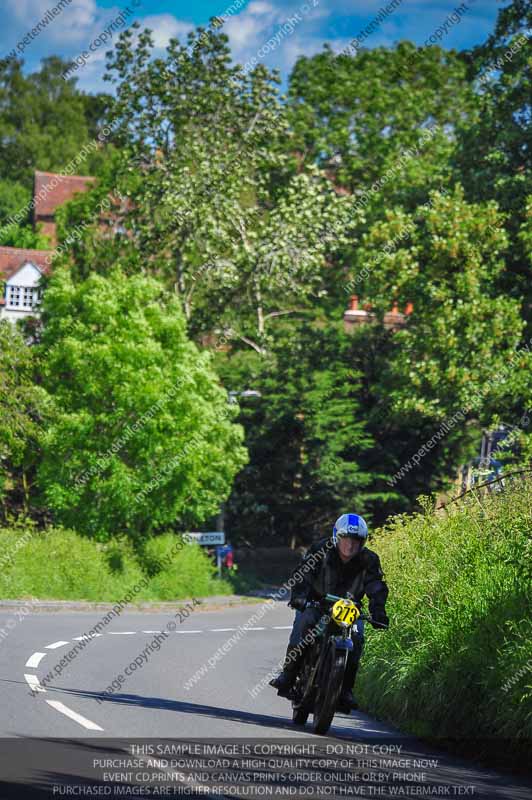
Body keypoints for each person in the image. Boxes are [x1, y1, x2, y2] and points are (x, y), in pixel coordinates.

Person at [270, 513, 389, 711]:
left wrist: (379, 612)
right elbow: (303, 573)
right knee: (302, 626)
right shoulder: (320, 549)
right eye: (346, 539)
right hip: (316, 604)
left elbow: (376, 586)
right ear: (336, 537)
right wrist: (300, 596)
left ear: (363, 542)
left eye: (356, 541)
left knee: (357, 639)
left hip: (349, 609)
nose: (350, 545)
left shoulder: (370, 559)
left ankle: (345, 690)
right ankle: (288, 676)